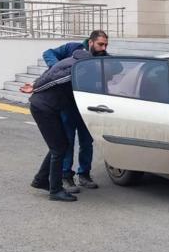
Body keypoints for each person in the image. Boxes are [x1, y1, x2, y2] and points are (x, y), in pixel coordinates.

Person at [20, 50, 92, 201]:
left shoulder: (69, 62)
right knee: (59, 148)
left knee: (60, 146)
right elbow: (52, 78)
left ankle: (41, 180)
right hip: (44, 108)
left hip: (47, 107)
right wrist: (35, 87)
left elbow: (50, 73)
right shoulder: (73, 69)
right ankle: (55, 190)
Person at [42, 30, 109, 191]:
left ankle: (84, 174)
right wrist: (56, 67)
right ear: (91, 42)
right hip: (68, 104)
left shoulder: (103, 57)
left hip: (87, 106)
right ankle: (66, 176)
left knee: (87, 142)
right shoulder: (73, 48)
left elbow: (117, 68)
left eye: (106, 44)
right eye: (100, 44)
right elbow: (48, 53)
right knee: (68, 141)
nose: (103, 47)